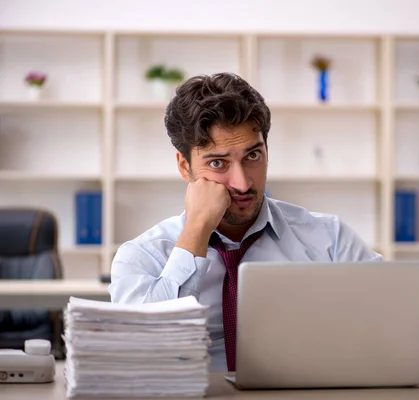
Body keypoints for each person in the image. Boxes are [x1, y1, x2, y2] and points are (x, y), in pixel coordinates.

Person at [108, 72, 383, 372]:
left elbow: (407, 344)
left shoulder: (331, 240)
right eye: (217, 163)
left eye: (253, 155)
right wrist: (198, 228)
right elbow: (139, 356)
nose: (241, 183)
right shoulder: (142, 256)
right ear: (185, 167)